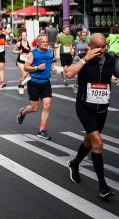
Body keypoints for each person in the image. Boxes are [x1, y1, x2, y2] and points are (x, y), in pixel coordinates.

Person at [64, 33, 117, 198]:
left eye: (103, 47)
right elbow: (69, 74)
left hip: (102, 109)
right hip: (85, 107)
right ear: (90, 47)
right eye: (97, 47)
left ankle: (75, 163)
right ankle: (103, 186)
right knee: (98, 143)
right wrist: (85, 58)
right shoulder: (81, 58)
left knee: (90, 140)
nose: (101, 51)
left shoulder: (110, 59)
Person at [16, 34, 57, 140]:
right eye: (43, 42)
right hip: (34, 83)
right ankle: (23, 112)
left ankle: (41, 130)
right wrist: (36, 68)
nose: (45, 43)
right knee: (34, 108)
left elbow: (50, 62)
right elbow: (25, 68)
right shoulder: (32, 54)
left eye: (46, 41)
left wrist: (53, 68)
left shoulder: (49, 52)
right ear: (38, 43)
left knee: (47, 106)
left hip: (46, 83)